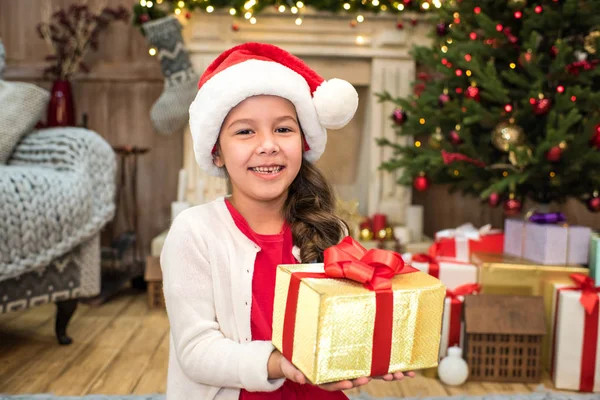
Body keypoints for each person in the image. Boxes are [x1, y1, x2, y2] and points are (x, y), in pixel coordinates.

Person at [160, 42, 414, 400]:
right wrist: (279, 363)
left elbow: (345, 325)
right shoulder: (195, 232)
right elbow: (197, 351)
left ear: (304, 141)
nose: (268, 145)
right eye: (245, 131)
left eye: (283, 129)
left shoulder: (328, 229)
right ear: (216, 152)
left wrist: (380, 347)